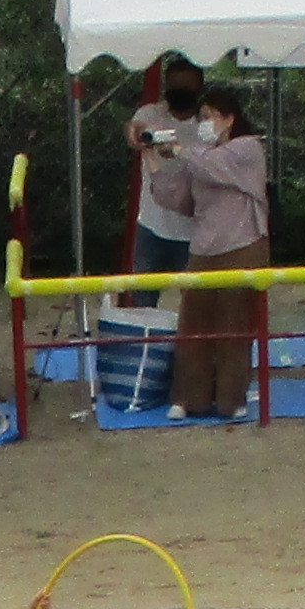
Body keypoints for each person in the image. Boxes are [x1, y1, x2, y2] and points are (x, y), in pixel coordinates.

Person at [168, 90, 274, 421]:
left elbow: (216, 167)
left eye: (212, 115)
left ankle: (231, 398)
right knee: (193, 323)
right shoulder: (199, 154)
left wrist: (180, 150)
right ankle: (189, 398)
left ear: (230, 118)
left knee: (234, 323)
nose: (205, 123)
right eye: (202, 116)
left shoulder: (247, 148)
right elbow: (178, 198)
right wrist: (153, 159)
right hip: (203, 247)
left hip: (242, 244)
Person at [122, 55, 212, 277]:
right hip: (152, 224)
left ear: (200, 88)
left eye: (187, 86)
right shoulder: (151, 113)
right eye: (175, 85)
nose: (181, 91)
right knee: (142, 298)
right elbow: (133, 128)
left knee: (194, 300)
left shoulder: (208, 125)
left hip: (195, 227)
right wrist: (140, 133)